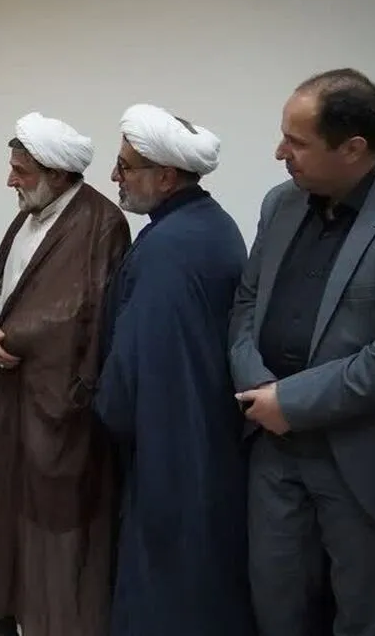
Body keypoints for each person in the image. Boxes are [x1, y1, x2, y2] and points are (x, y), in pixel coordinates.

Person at [231, 68, 375, 636]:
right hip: (272, 445)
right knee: (276, 602)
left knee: (364, 612)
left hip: (361, 454)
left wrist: (293, 401)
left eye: (296, 142)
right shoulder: (281, 204)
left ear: (353, 148)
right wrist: (258, 387)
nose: (280, 153)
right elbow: (247, 303)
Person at [94, 105, 255, 636]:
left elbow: (136, 366)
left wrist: (106, 413)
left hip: (170, 448)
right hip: (206, 439)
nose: (114, 176)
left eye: (125, 166)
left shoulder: (168, 246)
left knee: (166, 589)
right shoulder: (211, 225)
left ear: (165, 176)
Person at [0, 113, 130, 636]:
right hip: (15, 394)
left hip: (61, 405)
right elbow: (2, 287)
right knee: (14, 511)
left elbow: (86, 311)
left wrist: (13, 337)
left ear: (58, 174)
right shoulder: (27, 215)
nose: (10, 181)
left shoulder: (102, 222)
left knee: (59, 521)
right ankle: (22, 615)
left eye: (20, 171)